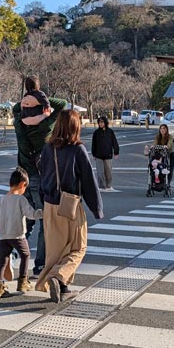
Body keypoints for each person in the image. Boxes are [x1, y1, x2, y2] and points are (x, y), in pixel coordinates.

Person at [35, 109, 103, 303]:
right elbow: (89, 181)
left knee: (56, 251)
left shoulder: (48, 149)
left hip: (50, 205)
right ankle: (58, 277)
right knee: (78, 247)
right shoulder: (77, 150)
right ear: (75, 126)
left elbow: (42, 176)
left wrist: (44, 199)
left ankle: (62, 287)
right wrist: (96, 208)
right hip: (69, 205)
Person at [13, 91, 69, 277]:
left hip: (23, 178)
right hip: (40, 178)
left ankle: (12, 255)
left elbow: (15, 108)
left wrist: (27, 98)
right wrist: (41, 98)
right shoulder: (46, 125)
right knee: (44, 222)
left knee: (25, 221)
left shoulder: (19, 123)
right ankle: (39, 265)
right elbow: (62, 103)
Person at [0, 167, 44, 299]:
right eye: (26, 187)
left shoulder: (2, 199)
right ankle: (23, 281)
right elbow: (31, 214)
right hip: (17, 235)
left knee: (2, 259)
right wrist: (43, 212)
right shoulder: (20, 199)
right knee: (25, 255)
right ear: (22, 184)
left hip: (3, 236)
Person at [91, 116, 120, 192]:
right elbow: (93, 144)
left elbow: (114, 142)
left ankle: (108, 186)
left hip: (108, 155)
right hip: (98, 155)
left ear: (105, 123)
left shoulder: (110, 132)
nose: (100, 124)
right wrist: (93, 154)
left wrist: (116, 152)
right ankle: (101, 186)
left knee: (108, 172)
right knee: (100, 173)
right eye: (99, 122)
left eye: (102, 122)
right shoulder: (96, 133)